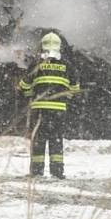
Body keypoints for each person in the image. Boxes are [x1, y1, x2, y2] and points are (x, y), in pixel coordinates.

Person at [18, 32, 80, 179]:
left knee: (39, 140)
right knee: (56, 140)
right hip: (59, 110)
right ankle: (57, 172)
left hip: (40, 110)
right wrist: (65, 99)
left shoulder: (37, 63)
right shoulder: (67, 65)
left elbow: (24, 85)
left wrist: (29, 95)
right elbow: (75, 88)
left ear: (42, 46)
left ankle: (36, 172)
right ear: (59, 47)